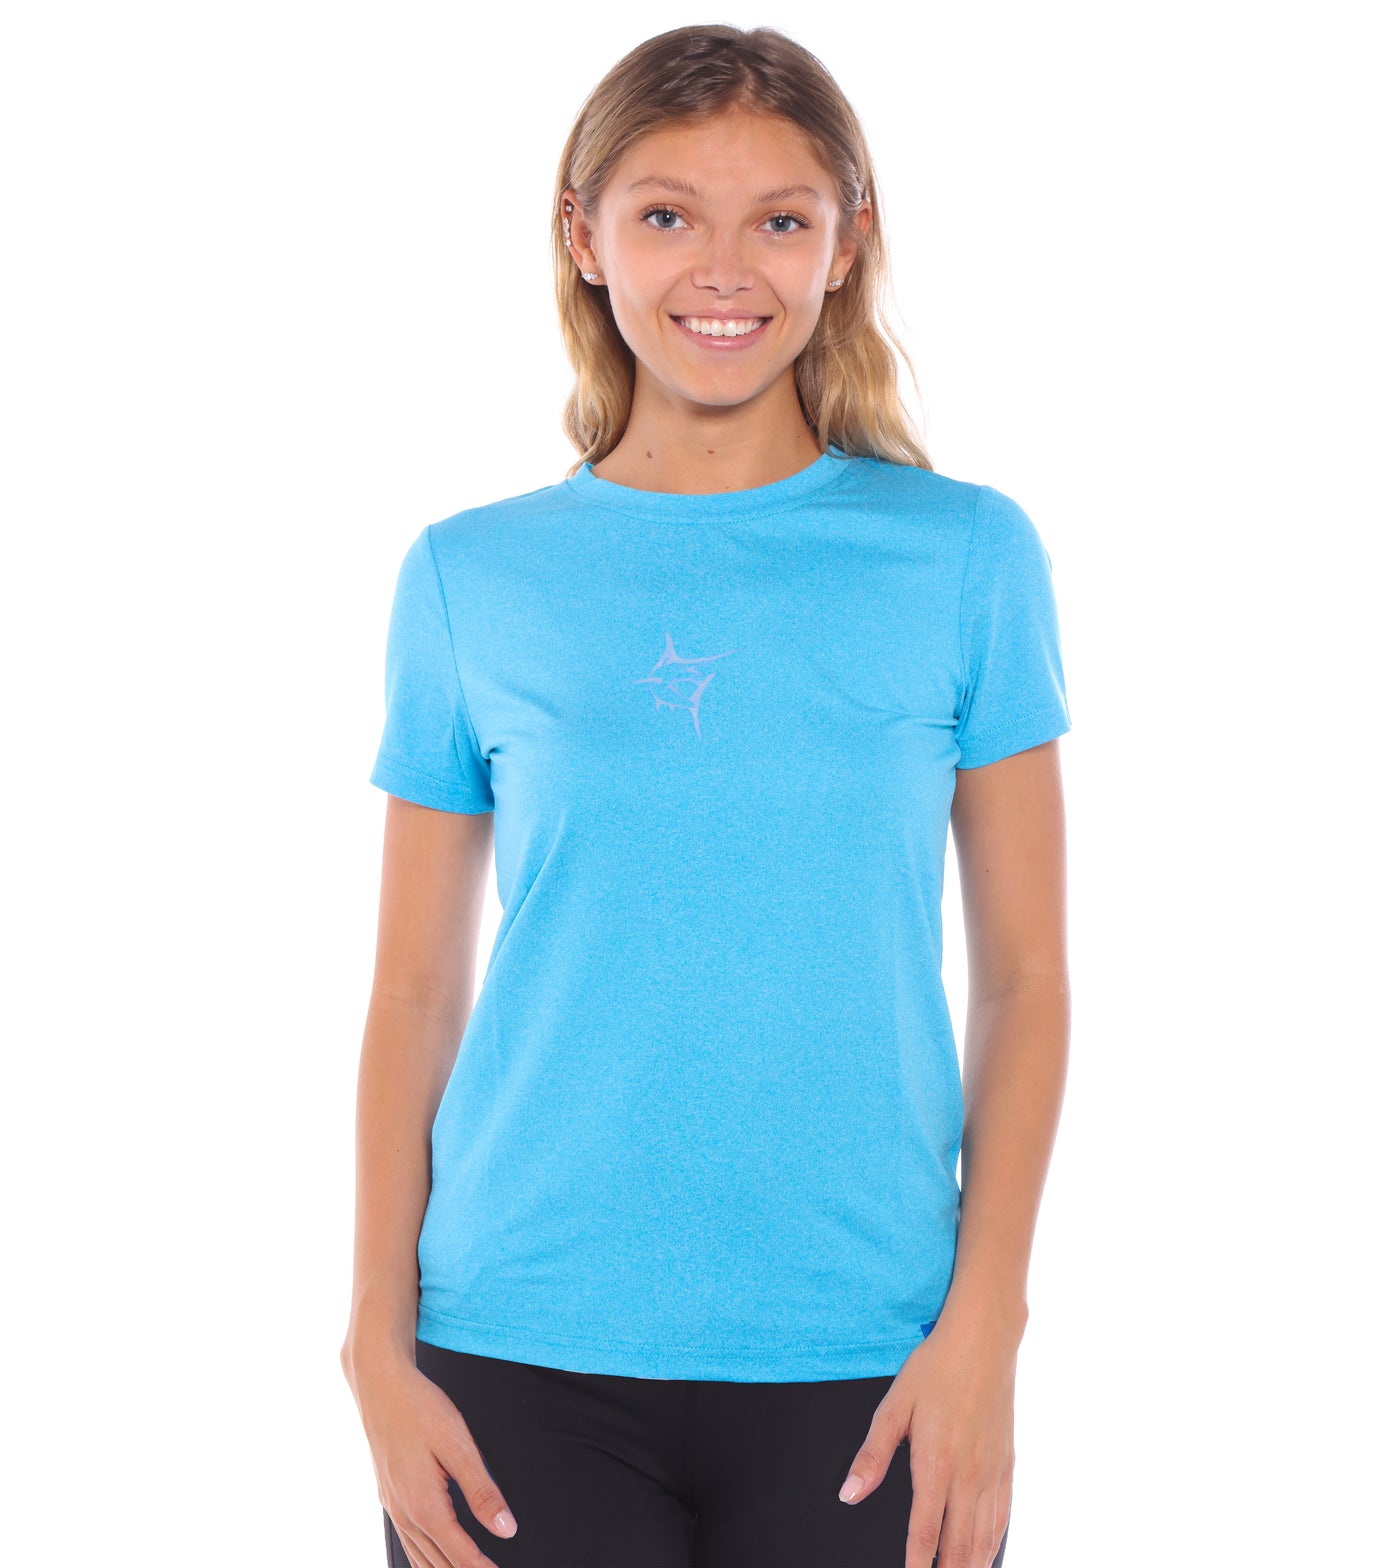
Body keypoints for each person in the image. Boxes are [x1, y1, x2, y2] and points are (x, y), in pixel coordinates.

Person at [341, 23, 1070, 1568]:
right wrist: (373, 1345)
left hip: (873, 1363)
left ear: (847, 244)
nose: (723, 270)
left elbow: (1025, 978)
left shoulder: (965, 559)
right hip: (514, 1352)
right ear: (583, 234)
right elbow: (414, 991)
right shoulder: (470, 576)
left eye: (780, 220)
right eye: (667, 213)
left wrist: (988, 1327)